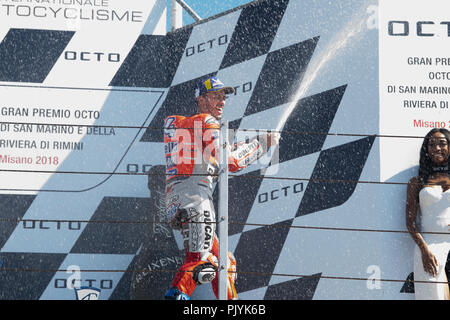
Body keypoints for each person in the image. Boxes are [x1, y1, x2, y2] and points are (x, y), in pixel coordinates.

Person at [163, 76, 280, 300]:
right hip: (195, 198)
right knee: (202, 262)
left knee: (225, 262)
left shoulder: (185, 125)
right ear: (201, 99)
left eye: (223, 97)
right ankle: (177, 296)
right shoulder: (206, 121)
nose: (222, 101)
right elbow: (229, 162)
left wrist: (251, 142)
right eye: (216, 96)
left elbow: (214, 153)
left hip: (177, 199)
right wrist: (262, 144)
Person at [405, 128, 450, 300]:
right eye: (431, 144)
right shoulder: (417, 182)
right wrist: (424, 250)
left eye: (442, 143)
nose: (436, 148)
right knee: (434, 295)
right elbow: (410, 223)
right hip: (430, 245)